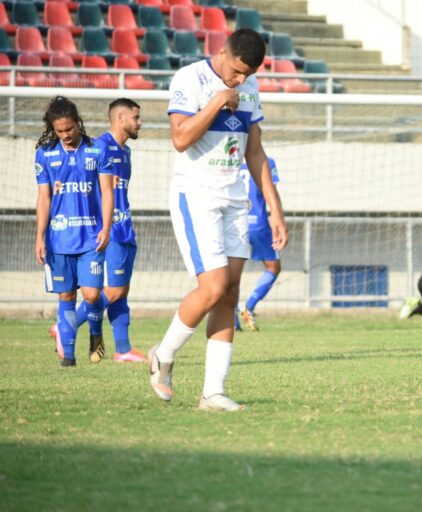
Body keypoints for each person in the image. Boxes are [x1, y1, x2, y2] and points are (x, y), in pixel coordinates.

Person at [148, 28, 287, 412]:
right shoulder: (190, 79)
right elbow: (180, 138)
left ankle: (213, 392)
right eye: (238, 71)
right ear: (222, 52)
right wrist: (217, 101)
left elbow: (255, 153)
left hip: (234, 200)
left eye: (248, 75)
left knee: (229, 293)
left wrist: (275, 209)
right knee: (211, 288)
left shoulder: (251, 88)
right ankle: (163, 354)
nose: (241, 81)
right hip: (196, 196)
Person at [64, 99, 148, 363]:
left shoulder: (126, 152)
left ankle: (123, 349)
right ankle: (64, 327)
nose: (140, 122)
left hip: (124, 228)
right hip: (107, 231)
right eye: (136, 117)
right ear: (120, 118)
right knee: (112, 291)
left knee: (121, 291)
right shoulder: (99, 147)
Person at [35, 96, 114, 367]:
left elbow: (107, 191)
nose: (66, 135)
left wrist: (106, 226)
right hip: (58, 239)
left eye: (69, 128)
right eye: (60, 131)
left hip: (91, 236)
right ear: (52, 129)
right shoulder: (45, 154)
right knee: (66, 295)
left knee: (92, 294)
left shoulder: (97, 150)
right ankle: (68, 358)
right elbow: (44, 198)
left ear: (77, 123)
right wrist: (39, 236)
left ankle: (95, 330)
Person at [237, 157, 282, 332]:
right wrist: (279, 220)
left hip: (234, 223)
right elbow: (273, 193)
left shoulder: (231, 160)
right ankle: (250, 305)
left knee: (233, 272)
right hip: (259, 224)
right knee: (273, 267)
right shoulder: (266, 162)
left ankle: (231, 319)